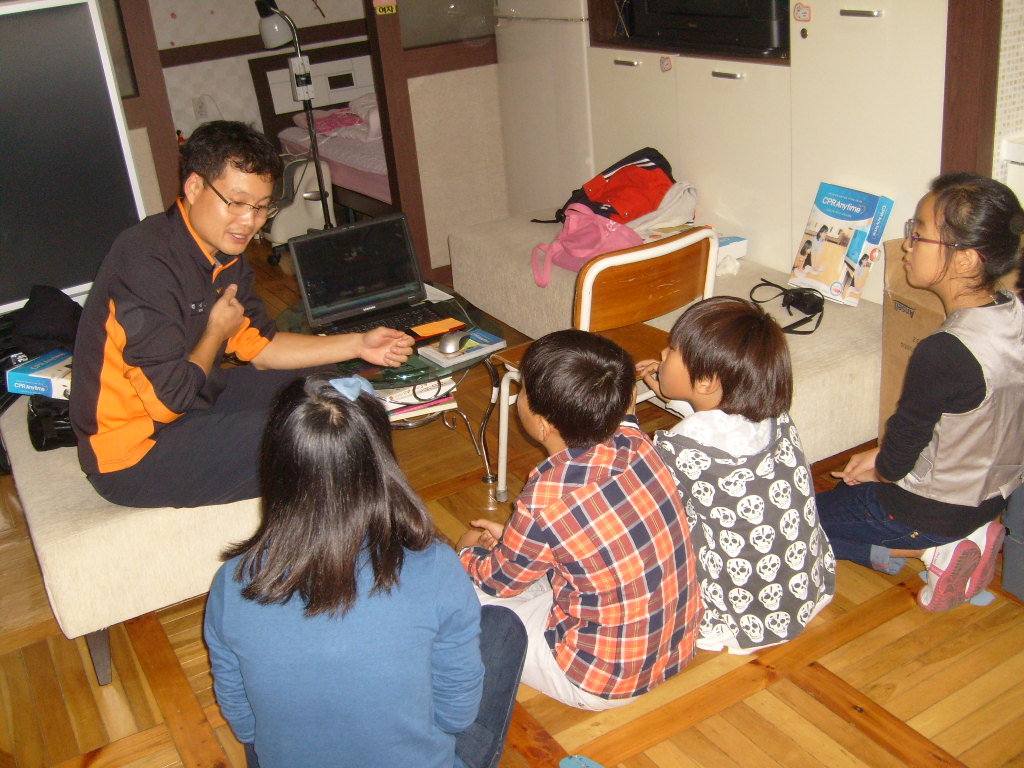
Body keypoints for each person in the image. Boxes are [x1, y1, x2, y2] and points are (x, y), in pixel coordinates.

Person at [70, 121, 413, 508]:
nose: (249, 221)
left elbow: (262, 347)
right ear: (194, 187)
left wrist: (359, 344)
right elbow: (168, 402)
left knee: (331, 385)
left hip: (196, 401)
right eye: (236, 203)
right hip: (135, 453)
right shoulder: (146, 264)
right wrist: (216, 332)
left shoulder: (222, 253)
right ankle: (369, 534)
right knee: (327, 438)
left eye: (261, 207)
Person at [204, 373, 526, 768]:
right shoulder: (436, 567)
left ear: (276, 465)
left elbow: (244, 724)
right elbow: (455, 717)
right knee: (503, 628)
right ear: (382, 463)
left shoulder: (233, 581)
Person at [457, 330, 701, 711]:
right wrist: (516, 540)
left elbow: (499, 582)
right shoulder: (639, 442)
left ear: (543, 425)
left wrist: (466, 552)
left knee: (462, 594)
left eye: (523, 390)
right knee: (535, 565)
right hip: (675, 648)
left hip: (597, 678)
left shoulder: (545, 497)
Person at [817, 172, 1024, 612]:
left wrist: (881, 466)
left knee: (793, 524)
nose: (907, 245)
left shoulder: (945, 351)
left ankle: (931, 551)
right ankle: (963, 536)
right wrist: (882, 457)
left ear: (965, 260)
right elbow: (973, 422)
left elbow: (896, 464)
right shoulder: (1015, 315)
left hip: (925, 511)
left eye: (919, 233)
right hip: (991, 497)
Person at [637, 297, 835, 654]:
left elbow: (645, 510)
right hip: (800, 586)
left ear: (706, 382)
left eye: (673, 350)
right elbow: (719, 421)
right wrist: (668, 390)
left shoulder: (680, 448)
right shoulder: (776, 418)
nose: (663, 353)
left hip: (740, 611)